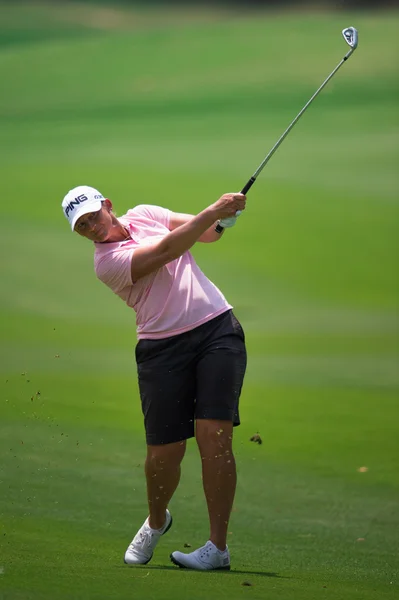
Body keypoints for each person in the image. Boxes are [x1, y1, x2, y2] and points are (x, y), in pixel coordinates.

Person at [61, 185, 247, 571]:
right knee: (164, 454)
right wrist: (213, 210)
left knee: (214, 436)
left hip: (217, 330)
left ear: (107, 206)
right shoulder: (106, 263)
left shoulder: (145, 214)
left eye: (94, 216)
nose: (92, 227)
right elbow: (167, 250)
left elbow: (206, 233)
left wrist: (224, 218)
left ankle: (217, 548)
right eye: (82, 226)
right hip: (162, 350)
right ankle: (157, 520)